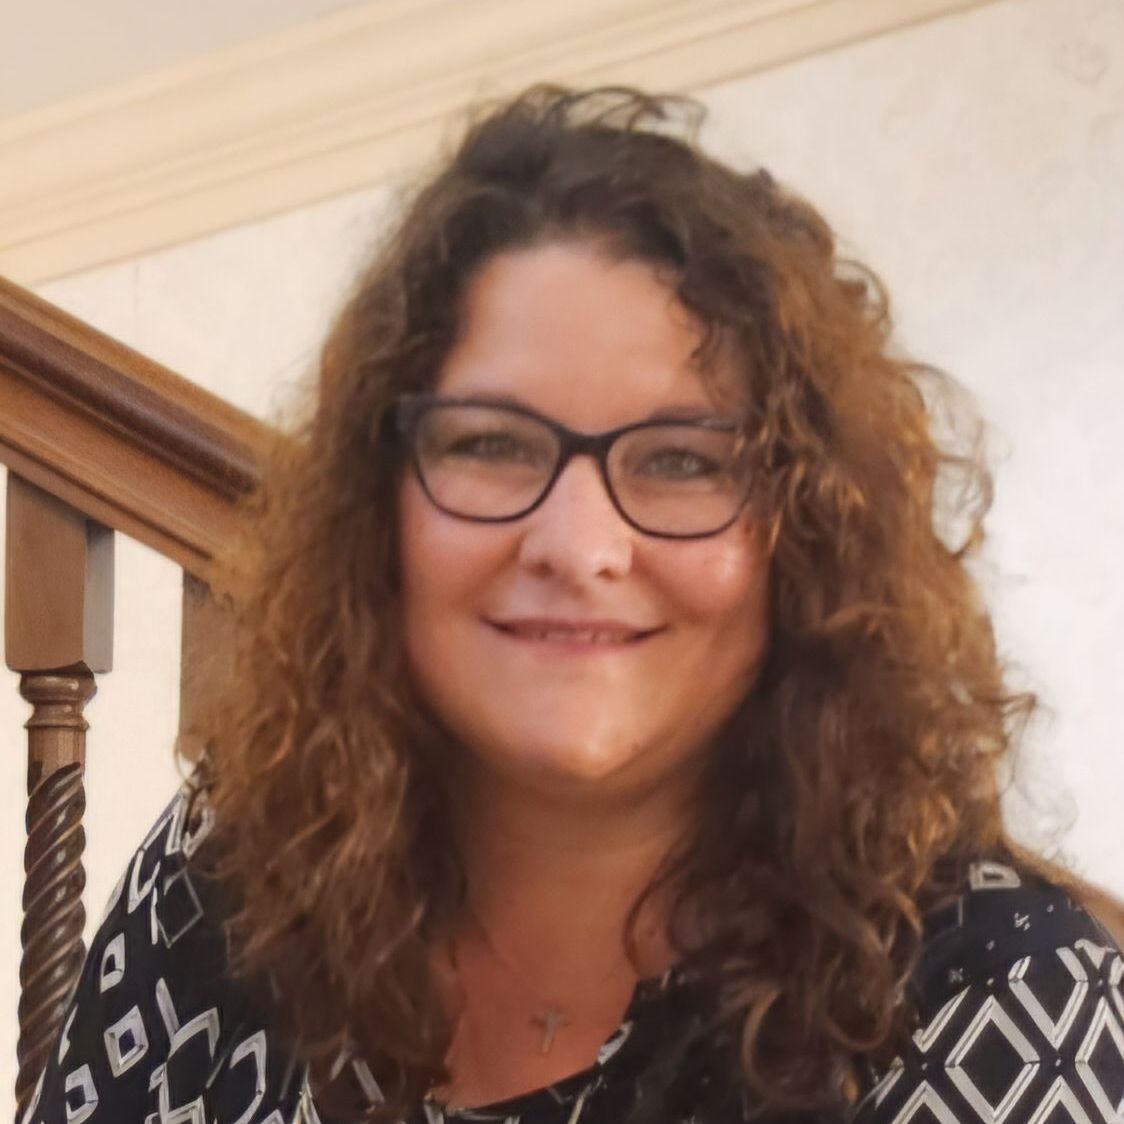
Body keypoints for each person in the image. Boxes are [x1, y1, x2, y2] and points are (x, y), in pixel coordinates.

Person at [24, 86, 1123, 1124]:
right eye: (493, 445)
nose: (578, 545)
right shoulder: (234, 864)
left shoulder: (991, 990)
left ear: (804, 532)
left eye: (681, 461)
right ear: (379, 504)